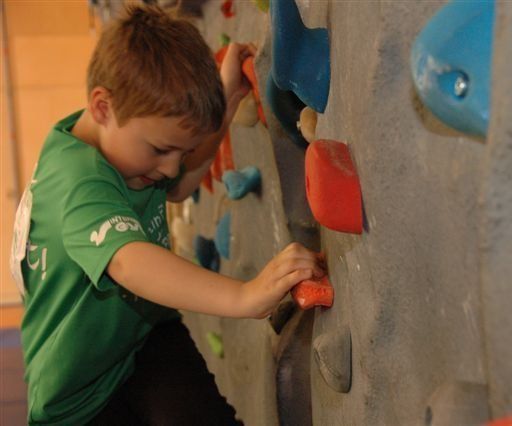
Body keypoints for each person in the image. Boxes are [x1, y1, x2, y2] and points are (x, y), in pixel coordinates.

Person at [9, 4, 324, 425]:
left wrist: (225, 102)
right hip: (78, 398)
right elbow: (128, 262)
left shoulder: (117, 132)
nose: (172, 166)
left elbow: (176, 185)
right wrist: (245, 296)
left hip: (142, 334)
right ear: (102, 107)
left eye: (181, 151)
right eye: (161, 150)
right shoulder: (78, 184)